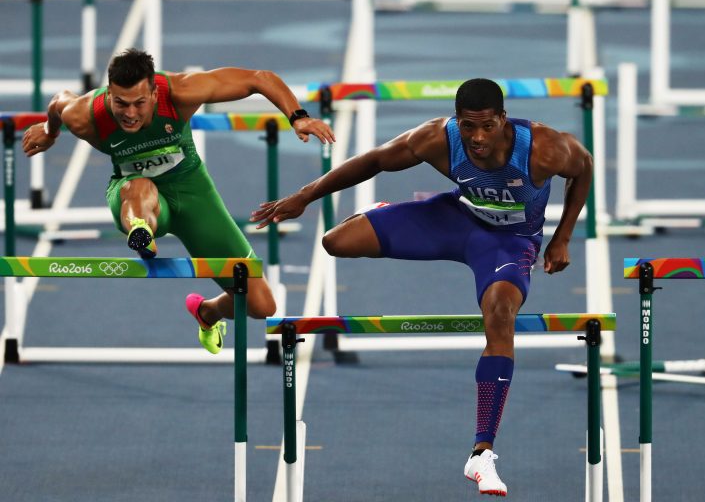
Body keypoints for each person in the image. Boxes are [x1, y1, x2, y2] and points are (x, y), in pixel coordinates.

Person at [250, 77, 593, 496]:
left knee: (500, 314)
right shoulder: (436, 139)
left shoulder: (544, 148)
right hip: (453, 221)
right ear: (456, 121)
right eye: (468, 127)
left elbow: (584, 168)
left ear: (503, 119)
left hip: (509, 242)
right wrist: (306, 195)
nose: (478, 138)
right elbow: (375, 160)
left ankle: (481, 452)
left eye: (487, 126)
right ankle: (384, 214)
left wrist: (562, 237)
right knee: (335, 242)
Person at [22, 48, 335, 354]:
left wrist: (298, 117)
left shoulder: (182, 91)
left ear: (155, 95)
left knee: (261, 305)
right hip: (131, 191)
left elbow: (259, 79)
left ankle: (207, 313)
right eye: (121, 104)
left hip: (191, 189)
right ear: (110, 95)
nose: (130, 114)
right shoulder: (86, 114)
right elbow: (59, 102)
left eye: (139, 104)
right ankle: (141, 232)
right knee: (140, 188)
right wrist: (50, 132)